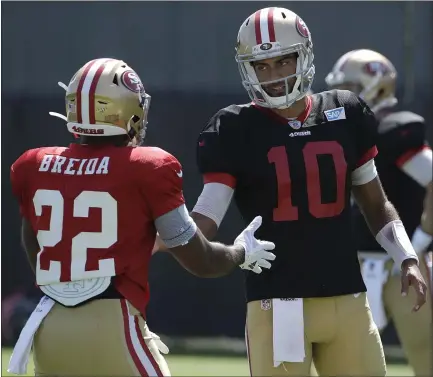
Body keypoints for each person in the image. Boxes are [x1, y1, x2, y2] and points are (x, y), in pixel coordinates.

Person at [155, 7, 427, 376]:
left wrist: (407, 256)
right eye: (261, 65)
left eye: (283, 61)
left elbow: (376, 204)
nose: (274, 75)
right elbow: (206, 220)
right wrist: (156, 240)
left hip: (348, 299)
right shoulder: (234, 128)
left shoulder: (345, 112)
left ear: (304, 56)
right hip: (277, 304)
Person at [7, 58, 276, 377]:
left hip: (49, 324)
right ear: (127, 110)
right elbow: (200, 259)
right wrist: (240, 252)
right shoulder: (148, 166)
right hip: (111, 323)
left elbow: (34, 246)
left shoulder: (34, 164)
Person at [326, 48, 432, 376]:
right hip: (355, 261)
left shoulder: (392, 130)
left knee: (425, 352)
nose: (345, 96)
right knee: (347, 359)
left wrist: (422, 237)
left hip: (402, 265)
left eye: (353, 87)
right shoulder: (342, 132)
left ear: (379, 87)